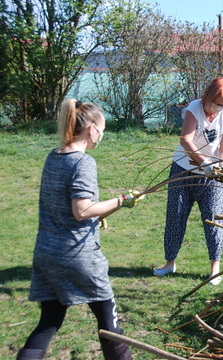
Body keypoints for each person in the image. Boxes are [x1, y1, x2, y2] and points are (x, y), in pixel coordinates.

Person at [17, 99, 144, 360]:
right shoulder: (83, 163)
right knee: (109, 324)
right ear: (91, 130)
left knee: (49, 321)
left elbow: (68, 208)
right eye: (102, 129)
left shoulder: (54, 157)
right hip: (78, 256)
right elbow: (82, 210)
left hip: (47, 254)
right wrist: (122, 199)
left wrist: (113, 208)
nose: (102, 135)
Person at [153, 77, 223, 285]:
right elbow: (186, 139)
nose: (220, 108)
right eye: (217, 103)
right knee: (176, 214)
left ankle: (214, 268)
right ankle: (169, 263)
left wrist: (222, 165)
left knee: (214, 218)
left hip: (212, 176)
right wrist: (203, 162)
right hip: (184, 170)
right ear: (208, 97)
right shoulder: (194, 108)